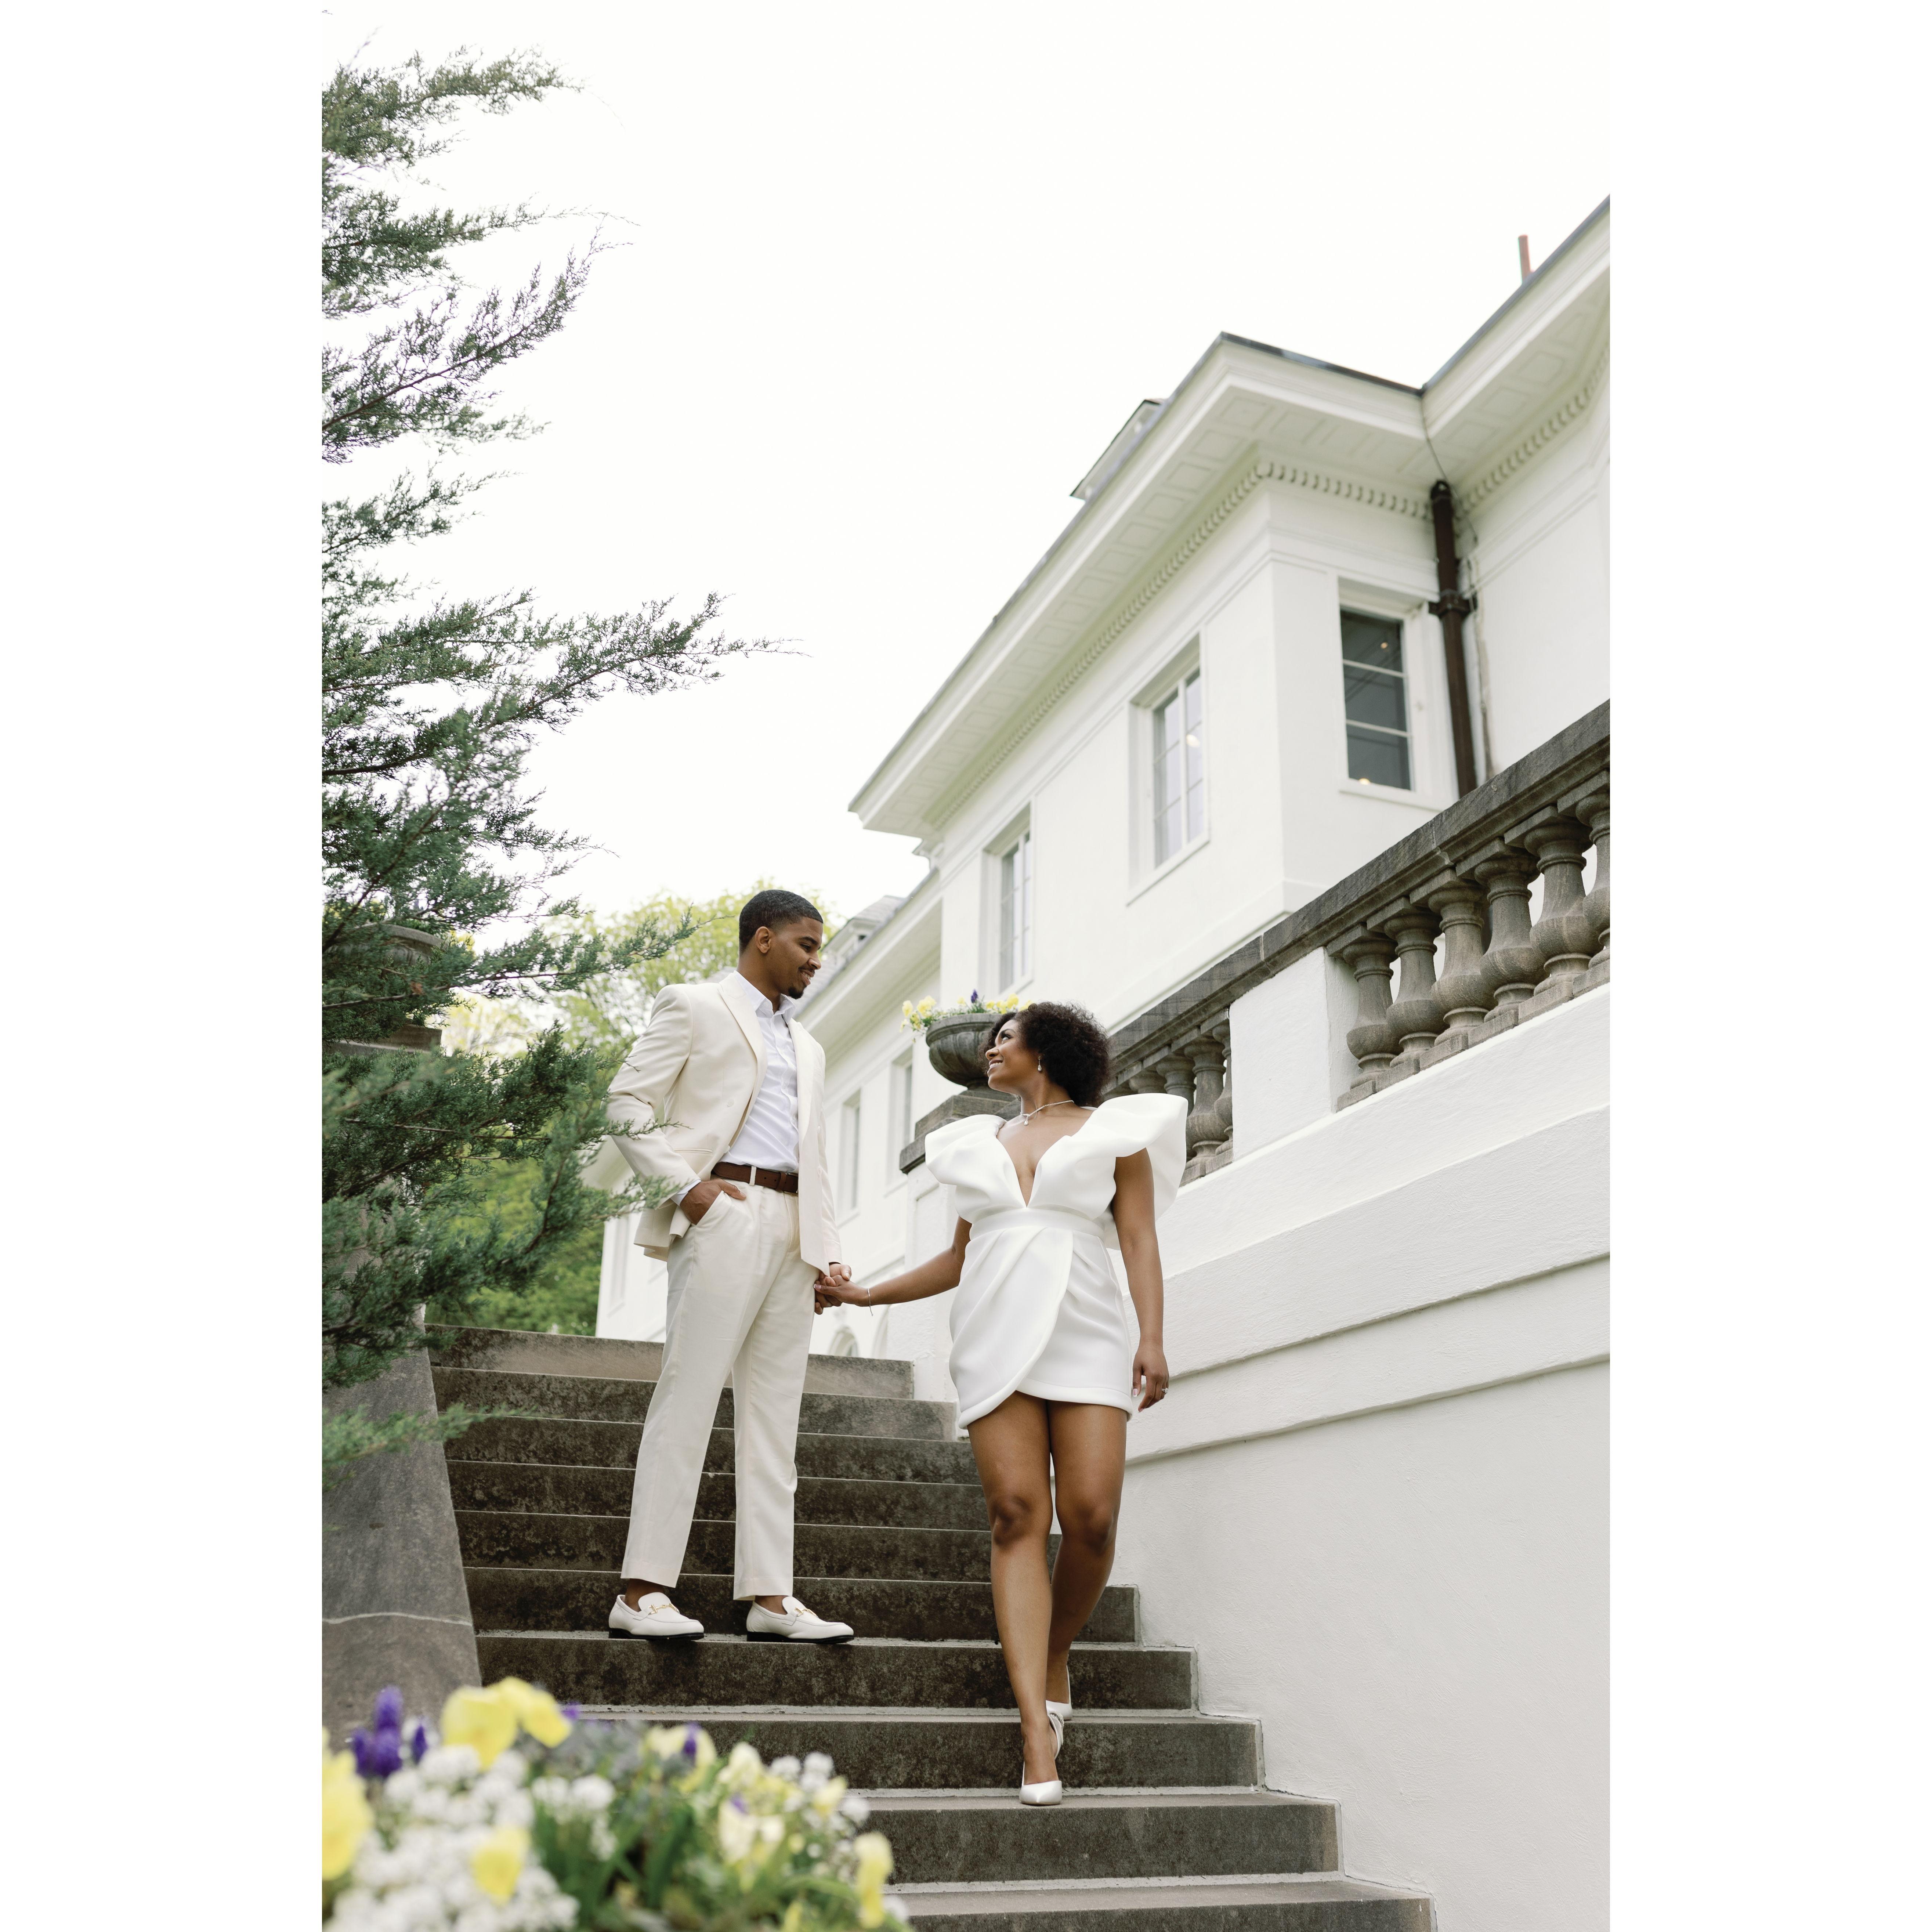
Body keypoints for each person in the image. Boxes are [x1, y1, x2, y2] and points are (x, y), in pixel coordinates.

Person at [816, 1002, 1185, 1803]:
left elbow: (1139, 1241)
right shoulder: (974, 1143)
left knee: (1091, 1517)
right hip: (992, 1329)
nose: (991, 1049)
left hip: (1087, 1326)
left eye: (1006, 1039)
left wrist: (1152, 1337)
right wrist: (866, 1295)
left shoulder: (1116, 1132)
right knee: (1016, 1514)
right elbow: (957, 1257)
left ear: (1045, 1052)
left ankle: (1053, 1652)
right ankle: (1033, 1731)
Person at [601, 889, 858, 1645]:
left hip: (794, 1227)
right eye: (807, 944)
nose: (817, 960)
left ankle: (770, 1598)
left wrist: (827, 1251)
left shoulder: (808, 1045)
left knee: (776, 1419)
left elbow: (815, 1155)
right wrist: (690, 1189)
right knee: (687, 1399)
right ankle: (641, 1591)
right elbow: (625, 1103)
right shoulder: (693, 1005)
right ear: (764, 938)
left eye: (820, 948)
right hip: (724, 1211)